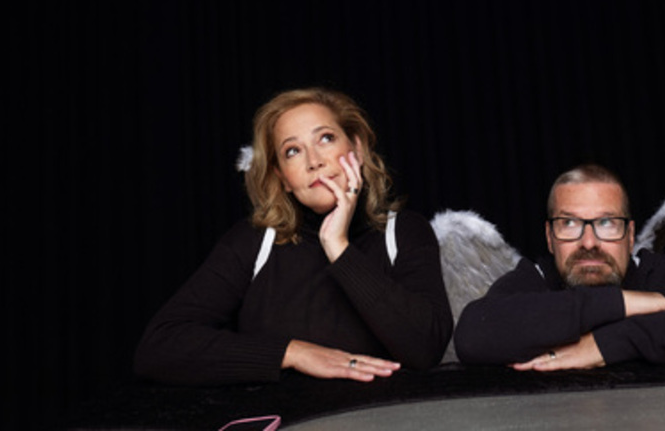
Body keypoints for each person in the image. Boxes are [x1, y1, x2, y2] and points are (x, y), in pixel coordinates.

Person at [134, 88, 453, 385]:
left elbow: (425, 348)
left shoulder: (404, 231)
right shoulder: (253, 242)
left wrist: (338, 247)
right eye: (293, 151)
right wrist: (292, 353)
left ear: (357, 148)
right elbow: (158, 347)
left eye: (326, 138)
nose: (314, 161)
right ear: (283, 178)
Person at [454, 163, 665, 371]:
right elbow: (474, 335)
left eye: (606, 223)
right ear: (549, 237)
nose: (589, 242)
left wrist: (608, 344)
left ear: (630, 235)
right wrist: (622, 303)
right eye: (570, 223)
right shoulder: (538, 277)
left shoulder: (653, 274)